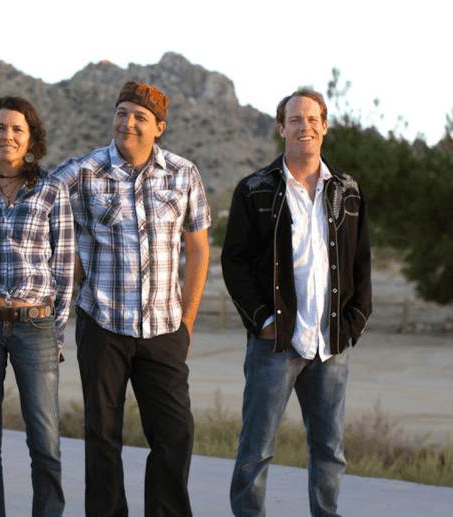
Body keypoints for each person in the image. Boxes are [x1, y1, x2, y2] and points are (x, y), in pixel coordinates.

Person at [54, 81, 211, 517]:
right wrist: (69, 256)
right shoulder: (84, 172)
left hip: (165, 328)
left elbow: (199, 249)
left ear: (159, 127)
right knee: (102, 435)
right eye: (121, 113)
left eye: (140, 117)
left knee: (175, 434)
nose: (128, 123)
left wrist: (187, 322)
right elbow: (39, 202)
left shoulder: (183, 173)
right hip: (102, 324)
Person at [221, 88, 372, 517]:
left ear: (324, 126)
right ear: (281, 128)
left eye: (312, 119)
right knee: (256, 448)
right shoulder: (254, 189)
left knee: (329, 450)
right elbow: (234, 262)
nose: (304, 126)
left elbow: (361, 261)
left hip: (331, 344)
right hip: (275, 342)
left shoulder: (348, 190)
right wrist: (263, 321)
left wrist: (354, 322)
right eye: (294, 120)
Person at [0, 96, 74, 517]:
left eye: (17, 129)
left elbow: (63, 266)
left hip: (35, 327)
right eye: (0, 128)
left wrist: (57, 330)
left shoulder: (51, 188)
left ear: (31, 139)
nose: (8, 135)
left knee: (45, 440)